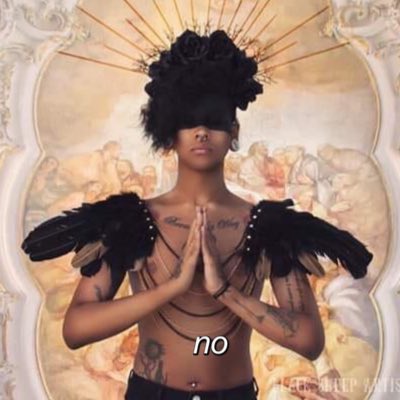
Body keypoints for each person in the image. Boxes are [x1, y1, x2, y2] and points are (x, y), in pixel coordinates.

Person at [21, 29, 373, 400]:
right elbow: (76, 329)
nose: (202, 132)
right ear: (170, 132)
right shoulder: (130, 221)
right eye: (189, 121)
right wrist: (172, 287)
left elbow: (309, 340)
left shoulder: (270, 228)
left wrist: (225, 291)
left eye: (215, 120)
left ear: (234, 132)